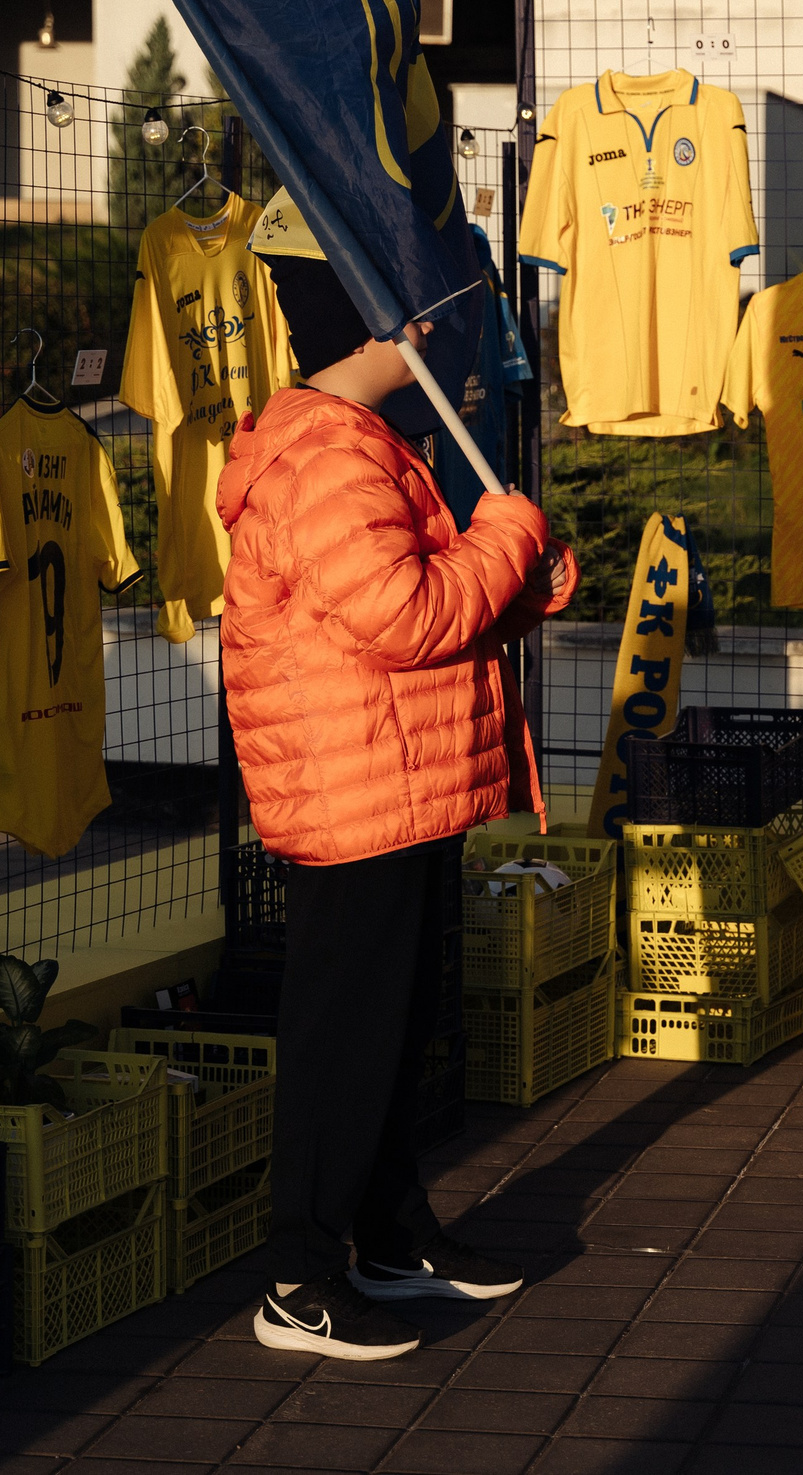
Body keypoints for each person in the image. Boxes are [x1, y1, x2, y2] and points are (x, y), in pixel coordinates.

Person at [220, 194, 577, 1361]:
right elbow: (404, 614)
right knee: (344, 1035)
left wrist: (519, 577)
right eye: (414, 316)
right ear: (366, 325)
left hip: (400, 782)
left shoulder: (371, 446)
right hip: (357, 791)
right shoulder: (326, 453)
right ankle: (301, 1277)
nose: (431, 334)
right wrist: (505, 542)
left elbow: (430, 602)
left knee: (392, 1022)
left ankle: (387, 1235)